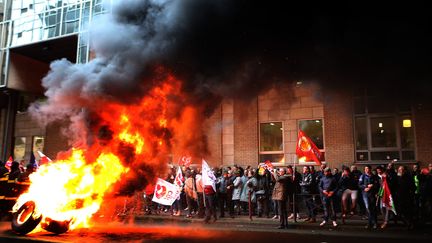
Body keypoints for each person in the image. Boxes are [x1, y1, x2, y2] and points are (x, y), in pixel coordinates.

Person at [359, 165, 379, 229]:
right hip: (365, 194)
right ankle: (371, 222)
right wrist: (365, 187)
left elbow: (377, 185)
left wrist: (372, 186)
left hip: (372, 194)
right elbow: (359, 185)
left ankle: (373, 223)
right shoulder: (362, 176)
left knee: (373, 208)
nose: (366, 170)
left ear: (370, 169)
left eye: (367, 169)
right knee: (368, 208)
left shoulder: (374, 176)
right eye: (365, 169)